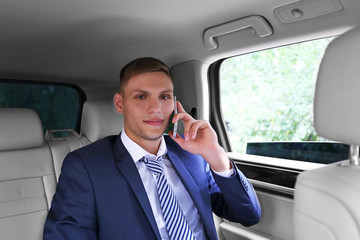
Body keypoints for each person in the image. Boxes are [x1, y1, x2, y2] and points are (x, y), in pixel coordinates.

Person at [43, 57, 261, 240]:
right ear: (120, 103)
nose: (155, 108)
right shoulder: (85, 166)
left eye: (164, 97)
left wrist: (215, 155)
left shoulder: (192, 154)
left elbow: (249, 215)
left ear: (174, 103)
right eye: (141, 96)